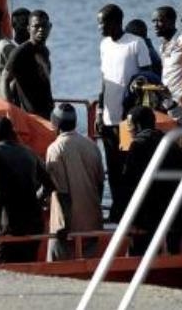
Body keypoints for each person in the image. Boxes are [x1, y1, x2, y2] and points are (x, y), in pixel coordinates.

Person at [96, 4, 152, 220]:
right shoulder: (104, 45)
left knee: (130, 167)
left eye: (102, 22)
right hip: (109, 118)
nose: (99, 26)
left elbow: (146, 76)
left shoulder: (136, 43)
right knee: (113, 167)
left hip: (129, 120)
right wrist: (100, 111)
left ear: (116, 22)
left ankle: (133, 211)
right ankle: (118, 210)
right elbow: (104, 79)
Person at [0, 116, 53, 263]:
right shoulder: (29, 152)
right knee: (26, 268)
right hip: (34, 223)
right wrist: (36, 200)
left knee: (5, 271)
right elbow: (50, 185)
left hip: (11, 225)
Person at [119, 106, 182, 253]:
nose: (129, 131)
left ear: (137, 126)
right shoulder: (171, 144)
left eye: (129, 126)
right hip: (174, 216)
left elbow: (128, 184)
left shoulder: (137, 146)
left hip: (146, 218)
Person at [45, 104, 104, 260]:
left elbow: (61, 192)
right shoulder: (91, 146)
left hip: (66, 230)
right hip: (93, 225)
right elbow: (100, 185)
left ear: (54, 124)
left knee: (58, 273)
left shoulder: (55, 149)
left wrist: (65, 226)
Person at [3, 10, 54, 119]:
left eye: (44, 26)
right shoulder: (20, 52)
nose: (40, 30)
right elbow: (5, 79)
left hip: (47, 114)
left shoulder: (45, 51)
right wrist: (10, 110)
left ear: (50, 27)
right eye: (36, 26)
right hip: (30, 117)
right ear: (29, 29)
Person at [152, 6, 182, 103]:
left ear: (171, 22)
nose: (155, 25)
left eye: (159, 21)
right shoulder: (162, 46)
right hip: (167, 99)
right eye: (153, 21)